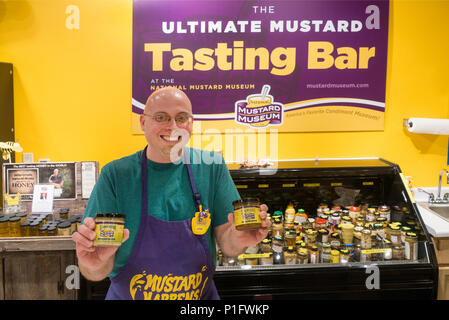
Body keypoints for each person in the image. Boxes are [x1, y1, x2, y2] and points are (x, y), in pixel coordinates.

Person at [72, 86, 271, 300]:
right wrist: (92, 264)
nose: (173, 127)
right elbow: (96, 269)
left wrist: (240, 239)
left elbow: (229, 245)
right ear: (143, 122)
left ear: (191, 123)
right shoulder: (115, 175)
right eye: (161, 117)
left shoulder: (212, 167)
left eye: (182, 118)